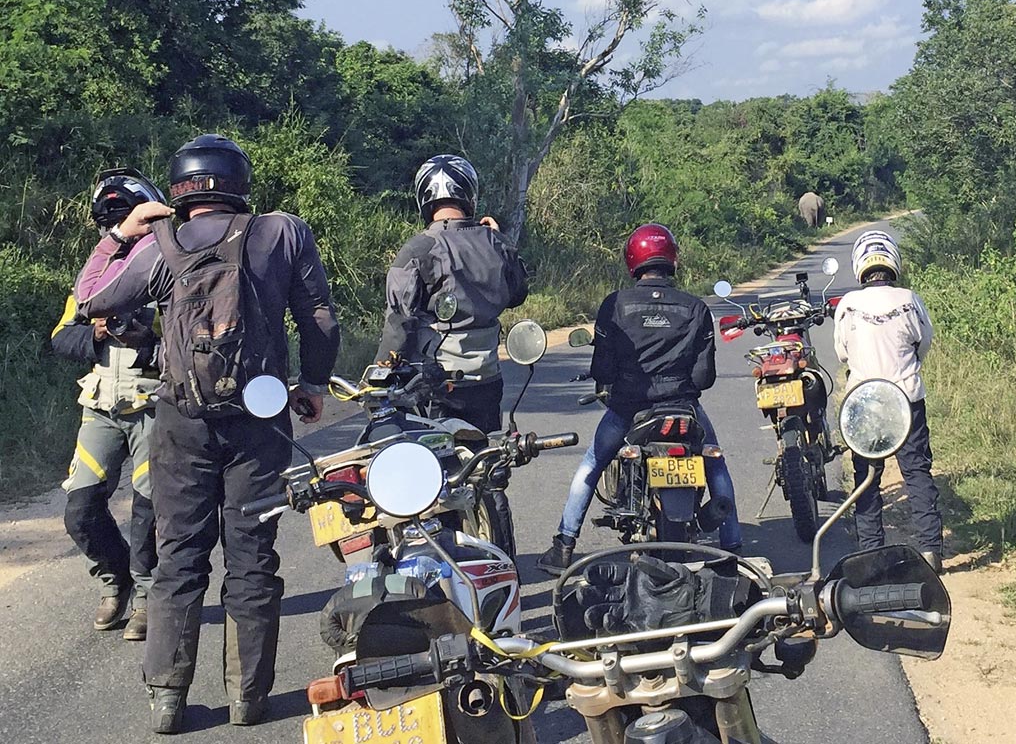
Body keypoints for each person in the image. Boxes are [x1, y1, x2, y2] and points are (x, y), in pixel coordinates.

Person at [73, 134, 340, 733]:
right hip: (260, 416)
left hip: (179, 421)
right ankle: (249, 700)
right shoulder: (283, 232)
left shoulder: (159, 246)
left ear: (178, 190)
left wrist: (120, 235)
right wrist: (313, 384)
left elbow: (88, 300)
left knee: (178, 558)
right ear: (239, 184)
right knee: (252, 557)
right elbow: (318, 316)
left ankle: (167, 701)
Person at [537, 224, 742, 575]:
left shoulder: (615, 305)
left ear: (633, 259)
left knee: (591, 464)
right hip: (684, 407)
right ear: (672, 258)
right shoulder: (694, 308)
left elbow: (602, 368)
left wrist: (616, 385)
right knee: (716, 464)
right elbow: (703, 378)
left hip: (629, 409)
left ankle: (564, 546)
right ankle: (732, 550)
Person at [375, 154, 528, 557]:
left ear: (424, 196)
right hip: (487, 377)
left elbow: (400, 319)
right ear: (469, 195)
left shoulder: (420, 247)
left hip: (434, 383)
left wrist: (381, 368)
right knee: (485, 463)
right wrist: (501, 241)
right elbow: (518, 292)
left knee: (430, 469)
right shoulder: (494, 242)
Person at [51, 169, 163, 641]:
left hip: (154, 408)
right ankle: (113, 580)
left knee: (148, 509)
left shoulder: (167, 267)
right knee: (79, 509)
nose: (121, 234)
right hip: (99, 405)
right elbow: (60, 336)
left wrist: (147, 341)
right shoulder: (93, 277)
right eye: (114, 226)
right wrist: (94, 334)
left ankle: (145, 596)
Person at [833, 229, 944, 572]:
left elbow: (841, 353)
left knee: (867, 479)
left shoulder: (848, 304)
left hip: (865, 404)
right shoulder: (910, 299)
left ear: (860, 266)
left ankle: (871, 554)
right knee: (917, 472)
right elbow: (923, 343)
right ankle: (930, 550)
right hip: (906, 398)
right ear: (892, 262)